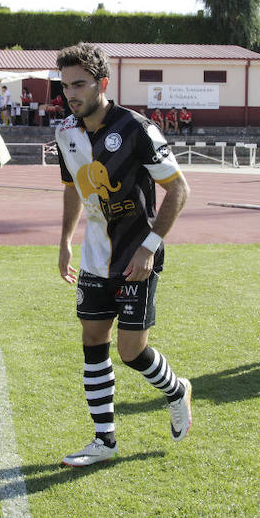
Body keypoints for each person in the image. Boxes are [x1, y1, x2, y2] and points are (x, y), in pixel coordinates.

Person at [54, 43, 192, 467]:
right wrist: (65, 240)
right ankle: (104, 441)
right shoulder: (65, 133)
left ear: (102, 84)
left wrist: (150, 247)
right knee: (93, 341)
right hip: (95, 259)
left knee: (131, 352)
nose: (71, 94)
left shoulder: (136, 128)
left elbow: (179, 189)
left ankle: (177, 391)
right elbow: (72, 188)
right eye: (65, 86)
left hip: (137, 256)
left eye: (79, 84)